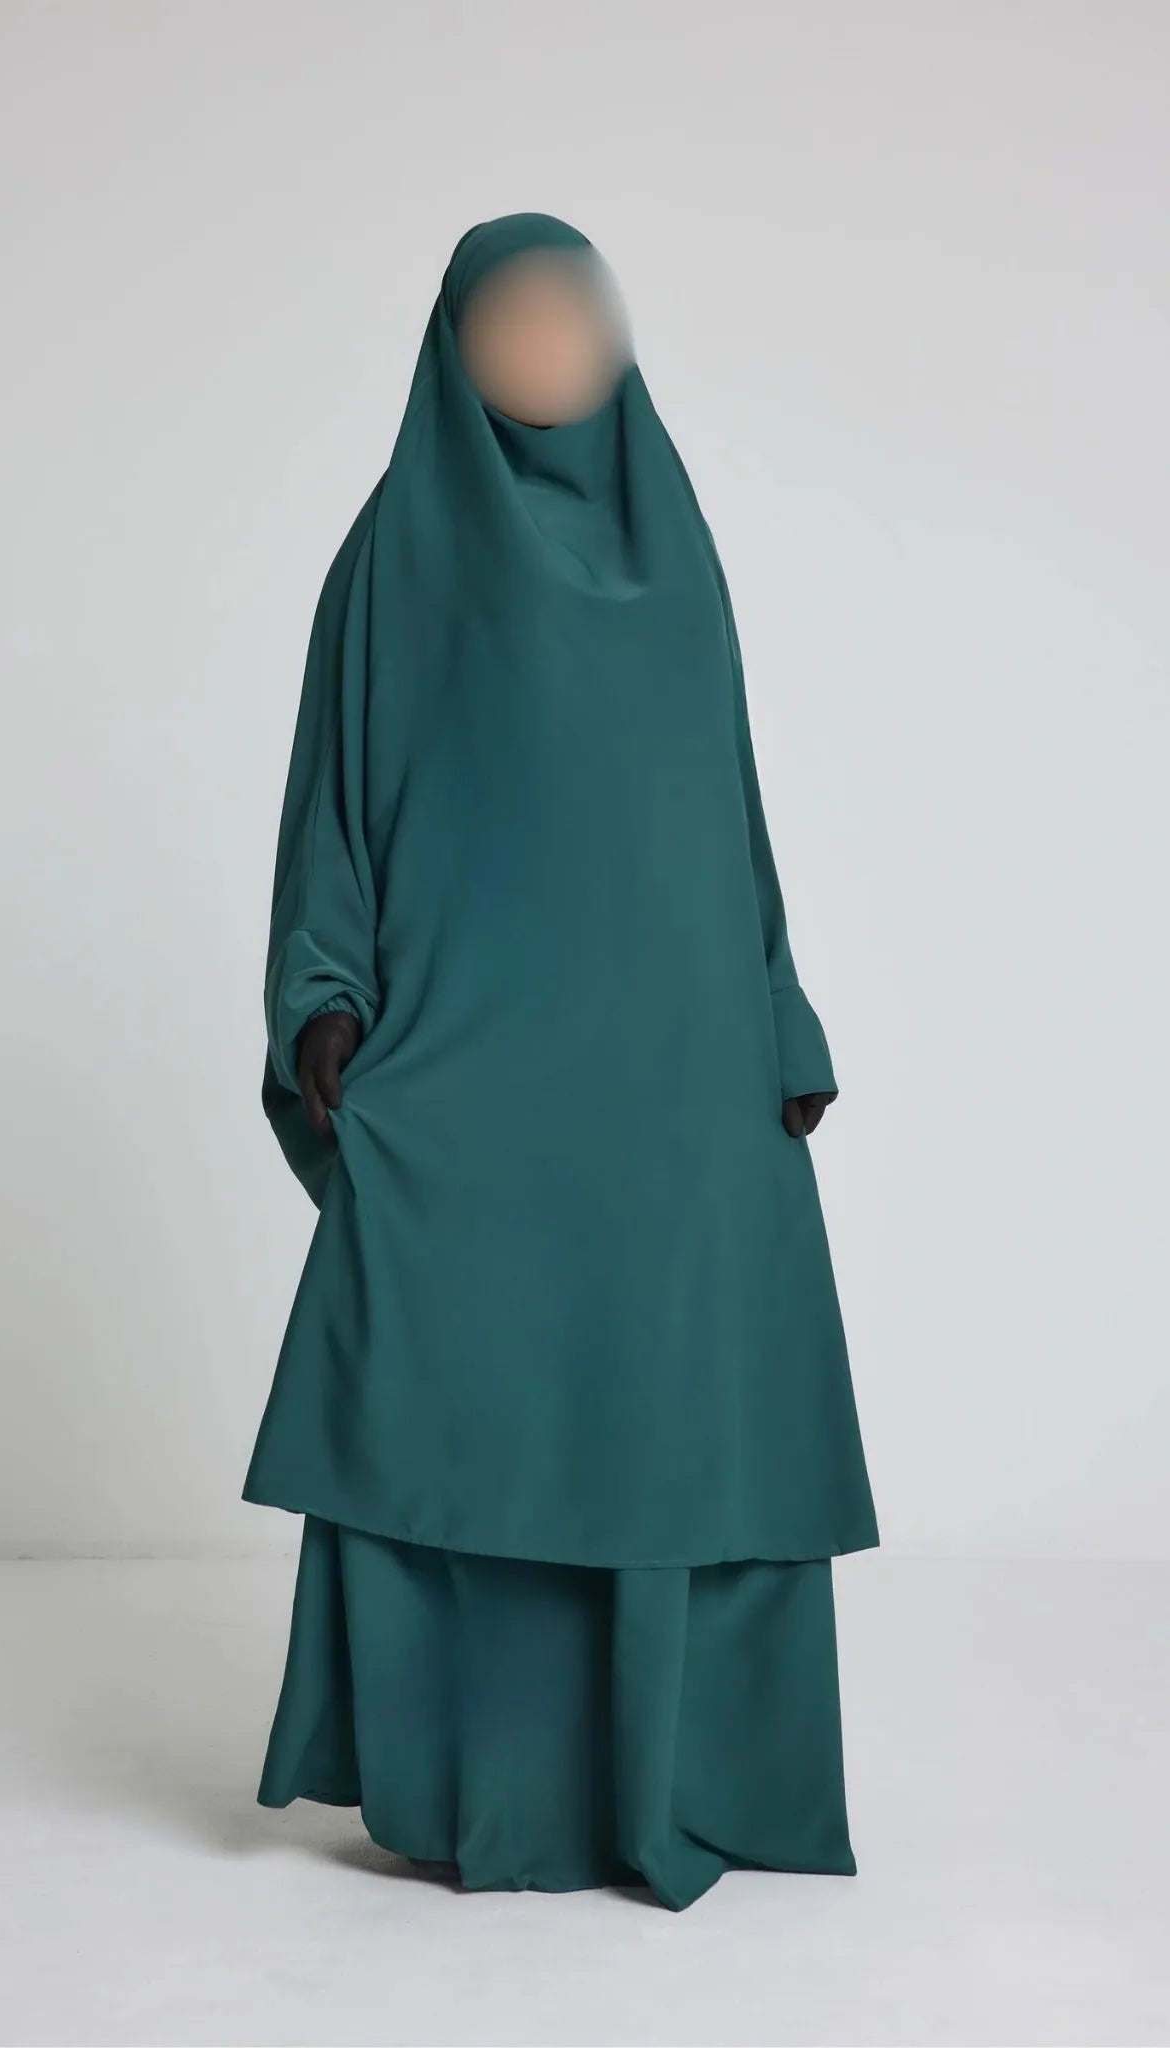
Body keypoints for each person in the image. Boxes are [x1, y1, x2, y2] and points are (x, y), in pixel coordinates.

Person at [243, 213, 877, 1911]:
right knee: (463, 1402)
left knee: (680, 1409)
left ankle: (683, 1779)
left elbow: (727, 813)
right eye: (511, 317)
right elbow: (330, 811)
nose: (550, 344)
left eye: (576, 313)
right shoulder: (394, 553)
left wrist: (783, 1015)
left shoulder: (680, 548)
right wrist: (323, 1001)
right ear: (449, 344)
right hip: (473, 1063)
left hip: (679, 1077)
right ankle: (486, 1790)